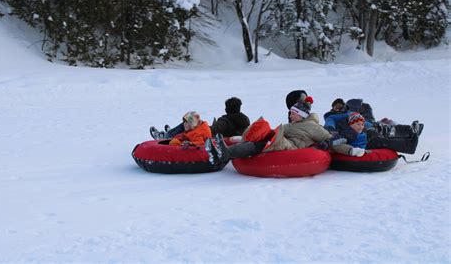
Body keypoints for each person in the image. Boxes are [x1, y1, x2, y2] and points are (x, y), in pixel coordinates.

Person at [205, 98, 344, 164]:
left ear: (301, 114)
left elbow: (333, 140)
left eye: (293, 113)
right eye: (290, 113)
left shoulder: (313, 126)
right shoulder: (294, 124)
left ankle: (226, 153)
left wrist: (351, 150)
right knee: (261, 131)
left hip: (290, 146)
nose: (290, 115)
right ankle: (222, 151)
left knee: (259, 145)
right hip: (282, 141)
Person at [324, 98, 424, 154]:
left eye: (341, 105)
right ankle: (408, 138)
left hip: (366, 128)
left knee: (386, 129)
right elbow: (329, 123)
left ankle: (410, 130)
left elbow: (362, 121)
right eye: (336, 106)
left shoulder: (350, 113)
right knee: (383, 137)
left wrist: (370, 126)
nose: (339, 108)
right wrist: (331, 130)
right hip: (355, 135)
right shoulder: (332, 116)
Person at [149, 97, 250, 140]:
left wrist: (201, 125)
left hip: (208, 137)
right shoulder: (245, 119)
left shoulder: (225, 121)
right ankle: (173, 132)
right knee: (192, 121)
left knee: (191, 118)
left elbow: (213, 131)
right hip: (224, 137)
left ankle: (167, 136)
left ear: (226, 108)